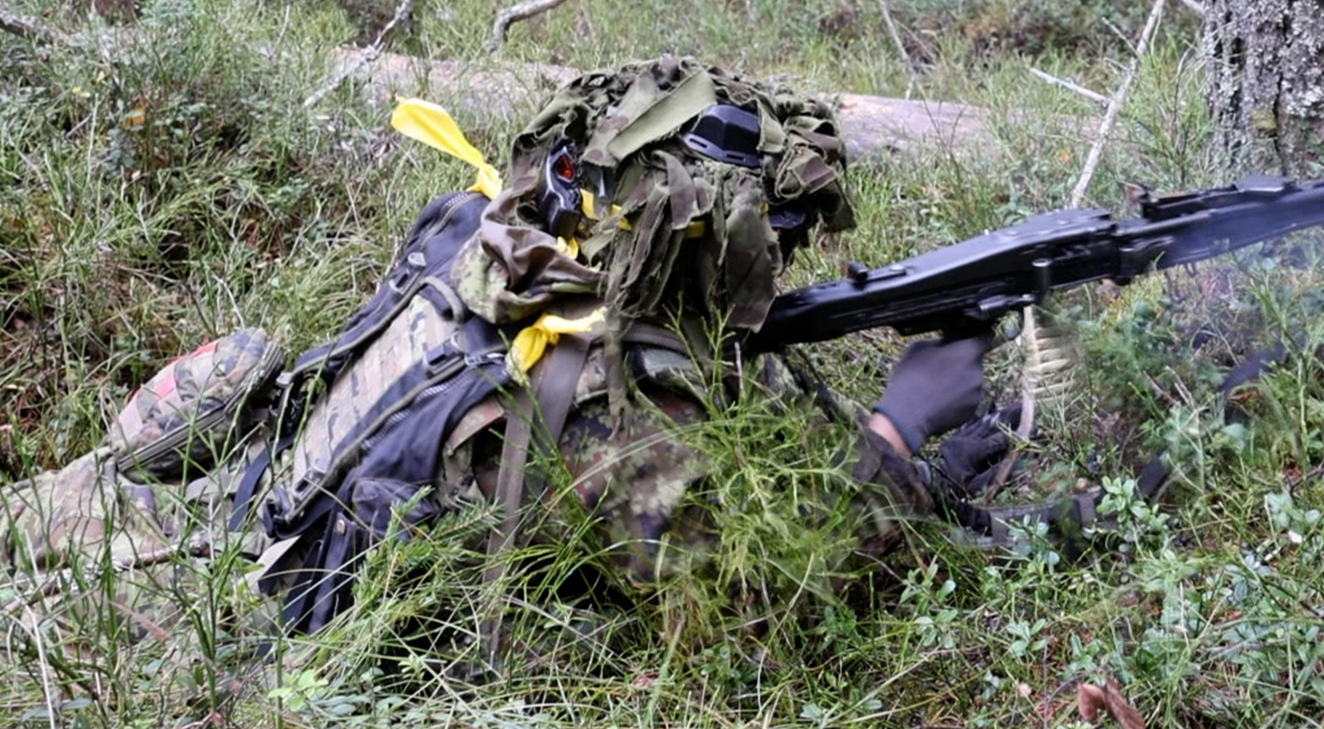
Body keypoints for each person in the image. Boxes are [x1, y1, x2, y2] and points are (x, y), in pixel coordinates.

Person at [0, 56, 1001, 638]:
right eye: (765, 245)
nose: (775, 267)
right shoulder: (606, 407)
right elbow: (767, 600)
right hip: (214, 610)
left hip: (203, 501)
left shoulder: (479, 229)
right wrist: (898, 435)